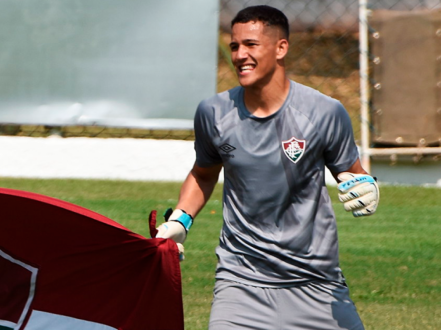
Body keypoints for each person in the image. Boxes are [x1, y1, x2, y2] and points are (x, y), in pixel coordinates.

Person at [154, 5, 379, 330]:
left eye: (251, 45)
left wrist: (367, 188)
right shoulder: (213, 113)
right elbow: (203, 172)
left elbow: (353, 174)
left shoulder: (324, 112)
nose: (239, 55)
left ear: (281, 48)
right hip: (240, 284)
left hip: (316, 284)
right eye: (234, 46)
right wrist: (181, 220)